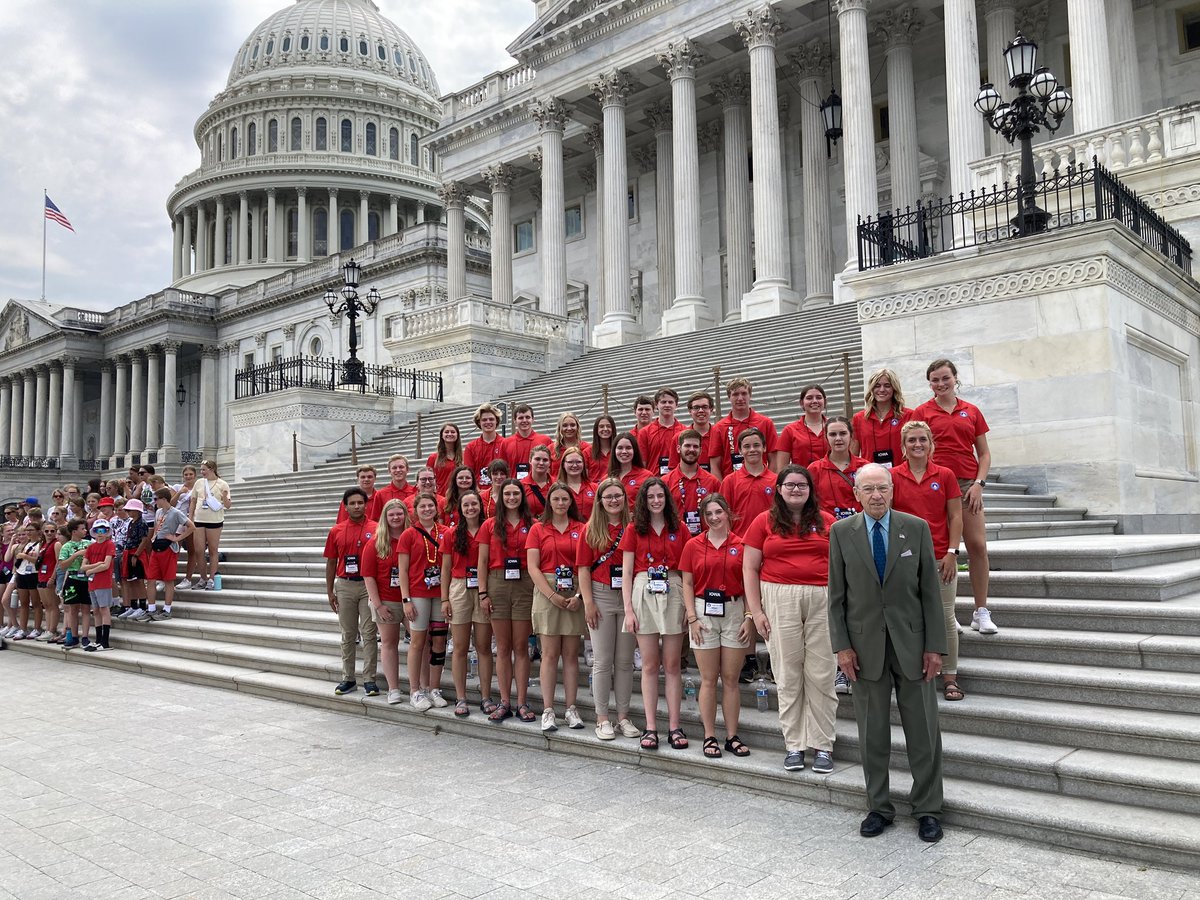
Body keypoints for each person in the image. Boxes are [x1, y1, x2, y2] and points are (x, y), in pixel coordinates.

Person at [828, 463, 947, 844]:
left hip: (913, 648)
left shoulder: (916, 528)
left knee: (924, 734)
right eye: (869, 490)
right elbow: (836, 598)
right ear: (856, 495)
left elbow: (931, 592)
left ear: (892, 491)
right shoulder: (841, 532)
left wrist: (935, 648)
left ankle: (927, 809)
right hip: (864, 651)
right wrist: (842, 647)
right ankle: (878, 807)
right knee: (872, 734)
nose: (876, 496)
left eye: (882, 488)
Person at [743, 465, 838, 774]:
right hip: (779, 598)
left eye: (802, 485)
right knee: (787, 673)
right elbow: (749, 568)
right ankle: (794, 744)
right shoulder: (763, 522)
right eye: (790, 485)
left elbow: (842, 566)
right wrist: (756, 612)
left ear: (810, 490)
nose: (796, 489)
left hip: (821, 598)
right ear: (779, 489)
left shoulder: (827, 522)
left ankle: (822, 744)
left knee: (822, 673)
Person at [913, 358, 997, 634]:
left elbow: (983, 453)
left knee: (977, 545)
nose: (940, 384)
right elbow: (916, 447)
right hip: (936, 485)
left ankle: (981, 610)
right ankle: (947, 613)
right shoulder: (922, 412)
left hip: (966, 485)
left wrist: (979, 484)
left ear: (955, 378)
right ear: (930, 383)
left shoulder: (971, 411)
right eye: (935, 380)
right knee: (940, 550)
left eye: (945, 378)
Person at [892, 420, 965, 701]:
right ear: (903, 446)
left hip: (940, 557)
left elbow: (956, 516)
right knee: (910, 617)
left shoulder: (945, 475)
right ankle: (914, 672)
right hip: (905, 560)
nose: (918, 445)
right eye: (912, 440)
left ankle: (950, 677)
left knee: (944, 616)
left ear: (930, 443)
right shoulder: (894, 477)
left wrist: (952, 552)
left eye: (922, 439)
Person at [620, 477, 691, 751]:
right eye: (651, 497)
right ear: (643, 501)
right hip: (643, 590)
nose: (656, 501)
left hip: (673, 590)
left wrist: (688, 606)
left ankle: (675, 726)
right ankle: (651, 727)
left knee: (672, 665)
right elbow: (626, 573)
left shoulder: (680, 528)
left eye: (660, 496)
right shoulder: (633, 529)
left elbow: (687, 572)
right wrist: (628, 609)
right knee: (650, 665)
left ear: (667, 498)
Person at [680, 494, 752, 759]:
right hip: (703, 612)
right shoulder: (693, 545)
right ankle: (710, 735)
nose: (714, 518)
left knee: (731, 680)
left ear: (728, 513)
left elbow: (749, 584)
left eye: (718, 512)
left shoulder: (742, 545)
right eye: (708, 514)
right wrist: (692, 618)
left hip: (734, 610)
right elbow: (687, 584)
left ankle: (732, 736)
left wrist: (749, 616)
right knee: (709, 680)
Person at [577, 477, 639, 741]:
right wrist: (588, 603)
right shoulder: (590, 530)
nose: (614, 500)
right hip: (601, 595)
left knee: (625, 662)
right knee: (602, 661)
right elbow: (582, 569)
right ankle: (602, 718)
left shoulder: (634, 527)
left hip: (628, 598)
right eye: (608, 496)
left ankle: (623, 716)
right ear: (600, 501)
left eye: (618, 496)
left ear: (625, 499)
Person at [527, 483, 586, 731]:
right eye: (557, 499)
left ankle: (571, 709)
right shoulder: (538, 529)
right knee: (550, 654)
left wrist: (580, 595)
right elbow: (533, 567)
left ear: (570, 502)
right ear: (549, 502)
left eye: (565, 499)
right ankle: (549, 710)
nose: (561, 503)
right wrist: (551, 595)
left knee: (571, 655)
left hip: (574, 590)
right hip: (547, 590)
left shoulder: (581, 529)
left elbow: (586, 565)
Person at [477, 479, 536, 723]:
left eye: (516, 493)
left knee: (521, 647)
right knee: (502, 647)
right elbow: (481, 562)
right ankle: (504, 701)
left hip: (524, 584)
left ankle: (522, 701)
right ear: (501, 497)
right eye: (507, 493)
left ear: (522, 496)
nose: (511, 497)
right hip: (497, 583)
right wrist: (482, 592)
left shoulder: (532, 524)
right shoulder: (490, 525)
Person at [440, 489, 494, 717]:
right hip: (460, 587)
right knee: (460, 647)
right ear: (460, 509)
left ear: (480, 506)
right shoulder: (452, 533)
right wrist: (444, 598)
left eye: (474, 504)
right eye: (466, 505)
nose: (471, 508)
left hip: (483, 588)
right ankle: (461, 697)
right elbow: (445, 568)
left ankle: (485, 696)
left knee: (483, 646)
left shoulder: (489, 529)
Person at [323, 487, 380, 697]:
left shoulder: (376, 528)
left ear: (366, 504)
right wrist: (330, 591)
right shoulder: (336, 530)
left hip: (368, 585)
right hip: (345, 584)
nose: (357, 506)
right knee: (348, 633)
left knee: (369, 633)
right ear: (345, 507)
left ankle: (370, 680)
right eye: (352, 503)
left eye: (360, 502)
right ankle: (348, 678)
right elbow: (331, 562)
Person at [397, 493, 451, 711]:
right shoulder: (408, 535)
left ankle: (434, 688)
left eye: (431, 506)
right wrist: (405, 600)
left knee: (439, 643)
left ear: (436, 509)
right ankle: (415, 690)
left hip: (441, 594)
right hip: (418, 593)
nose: (427, 509)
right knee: (418, 641)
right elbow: (402, 570)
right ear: (415, 510)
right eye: (423, 507)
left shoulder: (446, 532)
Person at [362, 499, 411, 705]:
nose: (396, 518)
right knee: (389, 644)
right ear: (385, 517)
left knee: (420, 642)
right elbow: (368, 576)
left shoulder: (412, 537)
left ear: (405, 515)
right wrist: (378, 604)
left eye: (399, 514)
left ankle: (419, 686)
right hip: (386, 601)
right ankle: (393, 688)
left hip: (411, 600)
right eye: (391, 515)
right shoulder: (375, 542)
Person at [709, 377, 777, 479]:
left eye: (744, 393)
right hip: (731, 484)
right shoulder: (718, 428)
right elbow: (715, 465)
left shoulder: (766, 423)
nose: (740, 398)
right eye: (735, 394)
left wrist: (769, 482)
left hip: (761, 481)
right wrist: (722, 490)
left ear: (750, 395)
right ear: (729, 397)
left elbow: (774, 458)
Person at [143, 487, 193, 621]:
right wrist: (153, 538)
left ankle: (167, 609)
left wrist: (177, 538)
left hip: (169, 548)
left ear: (164, 499)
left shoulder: (175, 512)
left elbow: (191, 526)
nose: (155, 502)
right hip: (156, 547)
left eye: (156, 499)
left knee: (168, 580)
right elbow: (156, 527)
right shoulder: (158, 511)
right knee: (151, 578)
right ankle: (151, 608)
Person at [808, 417, 868, 521]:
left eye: (843, 433)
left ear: (851, 436)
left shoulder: (866, 467)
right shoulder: (814, 469)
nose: (838, 438)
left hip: (860, 526)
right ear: (826, 437)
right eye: (832, 434)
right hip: (827, 528)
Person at [664, 429, 721, 537]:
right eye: (687, 446)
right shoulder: (666, 482)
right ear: (678, 448)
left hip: (705, 541)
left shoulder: (713, 482)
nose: (691, 449)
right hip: (675, 540)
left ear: (700, 450)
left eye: (695, 446)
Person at [852, 368, 911, 468]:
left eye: (887, 386)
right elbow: (853, 456)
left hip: (901, 475)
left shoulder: (908, 415)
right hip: (870, 477)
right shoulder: (859, 418)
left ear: (894, 389)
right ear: (871, 389)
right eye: (877, 386)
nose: (882, 390)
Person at [720, 427, 776, 530]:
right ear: (740, 451)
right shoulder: (729, 481)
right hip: (740, 542)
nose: (752, 450)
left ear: (764, 448)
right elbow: (724, 517)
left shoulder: (776, 480)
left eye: (756, 445)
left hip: (769, 541)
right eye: (747, 446)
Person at [189, 459, 231, 590]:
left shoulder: (222, 484)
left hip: (215, 520)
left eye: (204, 470)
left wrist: (224, 497)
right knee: (199, 550)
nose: (202, 472)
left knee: (213, 550)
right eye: (201, 469)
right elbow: (193, 501)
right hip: (199, 519)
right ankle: (203, 578)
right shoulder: (199, 483)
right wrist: (190, 518)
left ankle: (212, 578)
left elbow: (228, 505)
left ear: (212, 469)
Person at [774, 384, 830, 470]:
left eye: (819, 397)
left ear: (825, 402)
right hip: (801, 482)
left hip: (830, 481)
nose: (814, 401)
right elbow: (781, 469)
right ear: (801, 403)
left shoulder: (834, 427)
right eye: (809, 398)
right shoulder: (790, 430)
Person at [81, 518, 117, 651]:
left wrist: (91, 570)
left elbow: (106, 565)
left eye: (103, 530)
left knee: (104, 609)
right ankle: (98, 639)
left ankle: (105, 641)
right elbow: (82, 566)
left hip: (103, 582)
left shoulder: (110, 544)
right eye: (97, 530)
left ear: (108, 532)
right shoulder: (91, 547)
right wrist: (96, 565)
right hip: (92, 583)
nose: (100, 533)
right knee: (95, 610)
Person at [59, 519, 93, 650]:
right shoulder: (66, 546)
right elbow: (62, 566)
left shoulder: (89, 543)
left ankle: (85, 636)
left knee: (85, 609)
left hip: (86, 578)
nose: (85, 531)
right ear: (74, 531)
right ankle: (74, 636)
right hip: (72, 578)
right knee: (73, 609)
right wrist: (76, 555)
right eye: (82, 529)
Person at [115, 499, 151, 620]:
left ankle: (142, 607)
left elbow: (144, 540)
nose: (128, 512)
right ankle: (134, 606)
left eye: (130, 510)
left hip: (136, 552)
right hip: (128, 552)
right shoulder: (132, 522)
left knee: (139, 581)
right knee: (131, 580)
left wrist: (136, 555)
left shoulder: (142, 523)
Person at [637, 387, 685, 476]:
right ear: (656, 405)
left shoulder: (685, 431)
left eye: (670, 402)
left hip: (678, 482)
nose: (667, 405)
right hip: (653, 482)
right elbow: (642, 463)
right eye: (663, 402)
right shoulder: (645, 432)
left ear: (676, 405)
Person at [502, 403, 551, 482]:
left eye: (527, 417)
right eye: (521, 418)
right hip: (515, 488)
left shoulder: (545, 440)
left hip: (539, 487)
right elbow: (503, 469)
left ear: (533, 419)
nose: (524, 420)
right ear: (515, 421)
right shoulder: (506, 443)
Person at [464, 403, 506, 489]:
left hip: (501, 493)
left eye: (491, 419)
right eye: (484, 420)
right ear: (479, 422)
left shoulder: (505, 444)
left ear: (496, 421)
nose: (488, 422)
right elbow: (469, 474)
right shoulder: (470, 447)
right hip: (478, 494)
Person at [172, 464, 200, 590]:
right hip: (178, 521)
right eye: (186, 474)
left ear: (195, 475)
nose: (188, 477)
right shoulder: (177, 487)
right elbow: (171, 503)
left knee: (192, 550)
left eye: (191, 474)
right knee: (174, 549)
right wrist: (179, 493)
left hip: (192, 521)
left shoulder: (199, 488)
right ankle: (169, 577)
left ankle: (188, 579)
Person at [608, 431, 654, 503]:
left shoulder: (647, 476)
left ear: (635, 450)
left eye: (628, 448)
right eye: (620, 448)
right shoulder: (607, 479)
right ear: (614, 451)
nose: (624, 451)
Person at [556, 446, 596, 521]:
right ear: (563, 465)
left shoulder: (595, 488)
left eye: (578, 462)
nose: (574, 465)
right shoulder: (556, 489)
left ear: (583, 464)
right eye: (570, 462)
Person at [550, 412, 592, 477]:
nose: (569, 428)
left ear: (577, 427)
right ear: (559, 428)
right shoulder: (551, 449)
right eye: (565, 425)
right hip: (557, 486)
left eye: (572, 425)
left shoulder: (587, 448)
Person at [426, 422, 464, 495]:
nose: (450, 434)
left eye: (453, 432)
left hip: (460, 497)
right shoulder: (433, 458)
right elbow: (428, 479)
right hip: (441, 497)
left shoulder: (464, 456)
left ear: (457, 435)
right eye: (446, 432)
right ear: (442, 436)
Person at [685, 391, 717, 471]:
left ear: (711, 409)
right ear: (690, 411)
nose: (701, 410)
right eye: (696, 407)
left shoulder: (720, 435)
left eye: (705, 407)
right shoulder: (679, 437)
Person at [521, 444, 555, 519]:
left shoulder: (557, 484)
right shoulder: (521, 486)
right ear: (530, 460)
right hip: (529, 528)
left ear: (549, 463)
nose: (541, 463)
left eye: (545, 460)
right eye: (537, 459)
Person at [589, 414, 618, 481]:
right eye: (601, 426)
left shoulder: (619, 451)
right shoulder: (587, 452)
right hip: (594, 490)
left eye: (608, 426)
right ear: (596, 429)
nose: (605, 429)